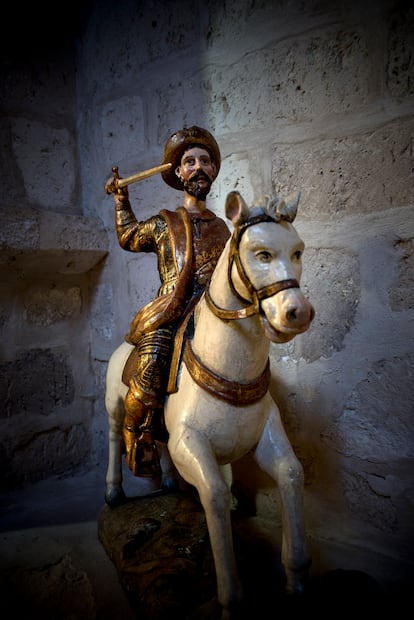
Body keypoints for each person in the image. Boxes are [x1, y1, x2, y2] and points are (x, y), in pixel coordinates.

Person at [105, 126, 231, 479]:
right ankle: (137, 433)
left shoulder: (222, 228)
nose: (199, 167)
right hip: (173, 312)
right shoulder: (165, 223)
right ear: (178, 173)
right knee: (151, 364)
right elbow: (129, 236)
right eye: (189, 162)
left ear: (213, 171)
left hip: (213, 311)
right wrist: (121, 200)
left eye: (205, 161)